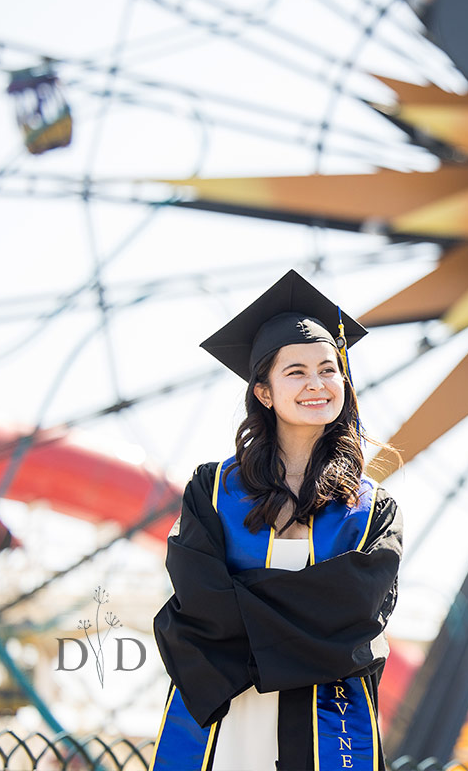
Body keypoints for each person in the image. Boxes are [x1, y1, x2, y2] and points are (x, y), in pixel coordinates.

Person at [149, 269, 401, 771]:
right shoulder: (213, 490)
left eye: (329, 370)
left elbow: (356, 615)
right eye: (296, 372)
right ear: (264, 392)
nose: (317, 384)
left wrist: (245, 595)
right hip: (227, 709)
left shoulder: (371, 507)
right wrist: (306, 613)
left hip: (327, 716)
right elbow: (200, 602)